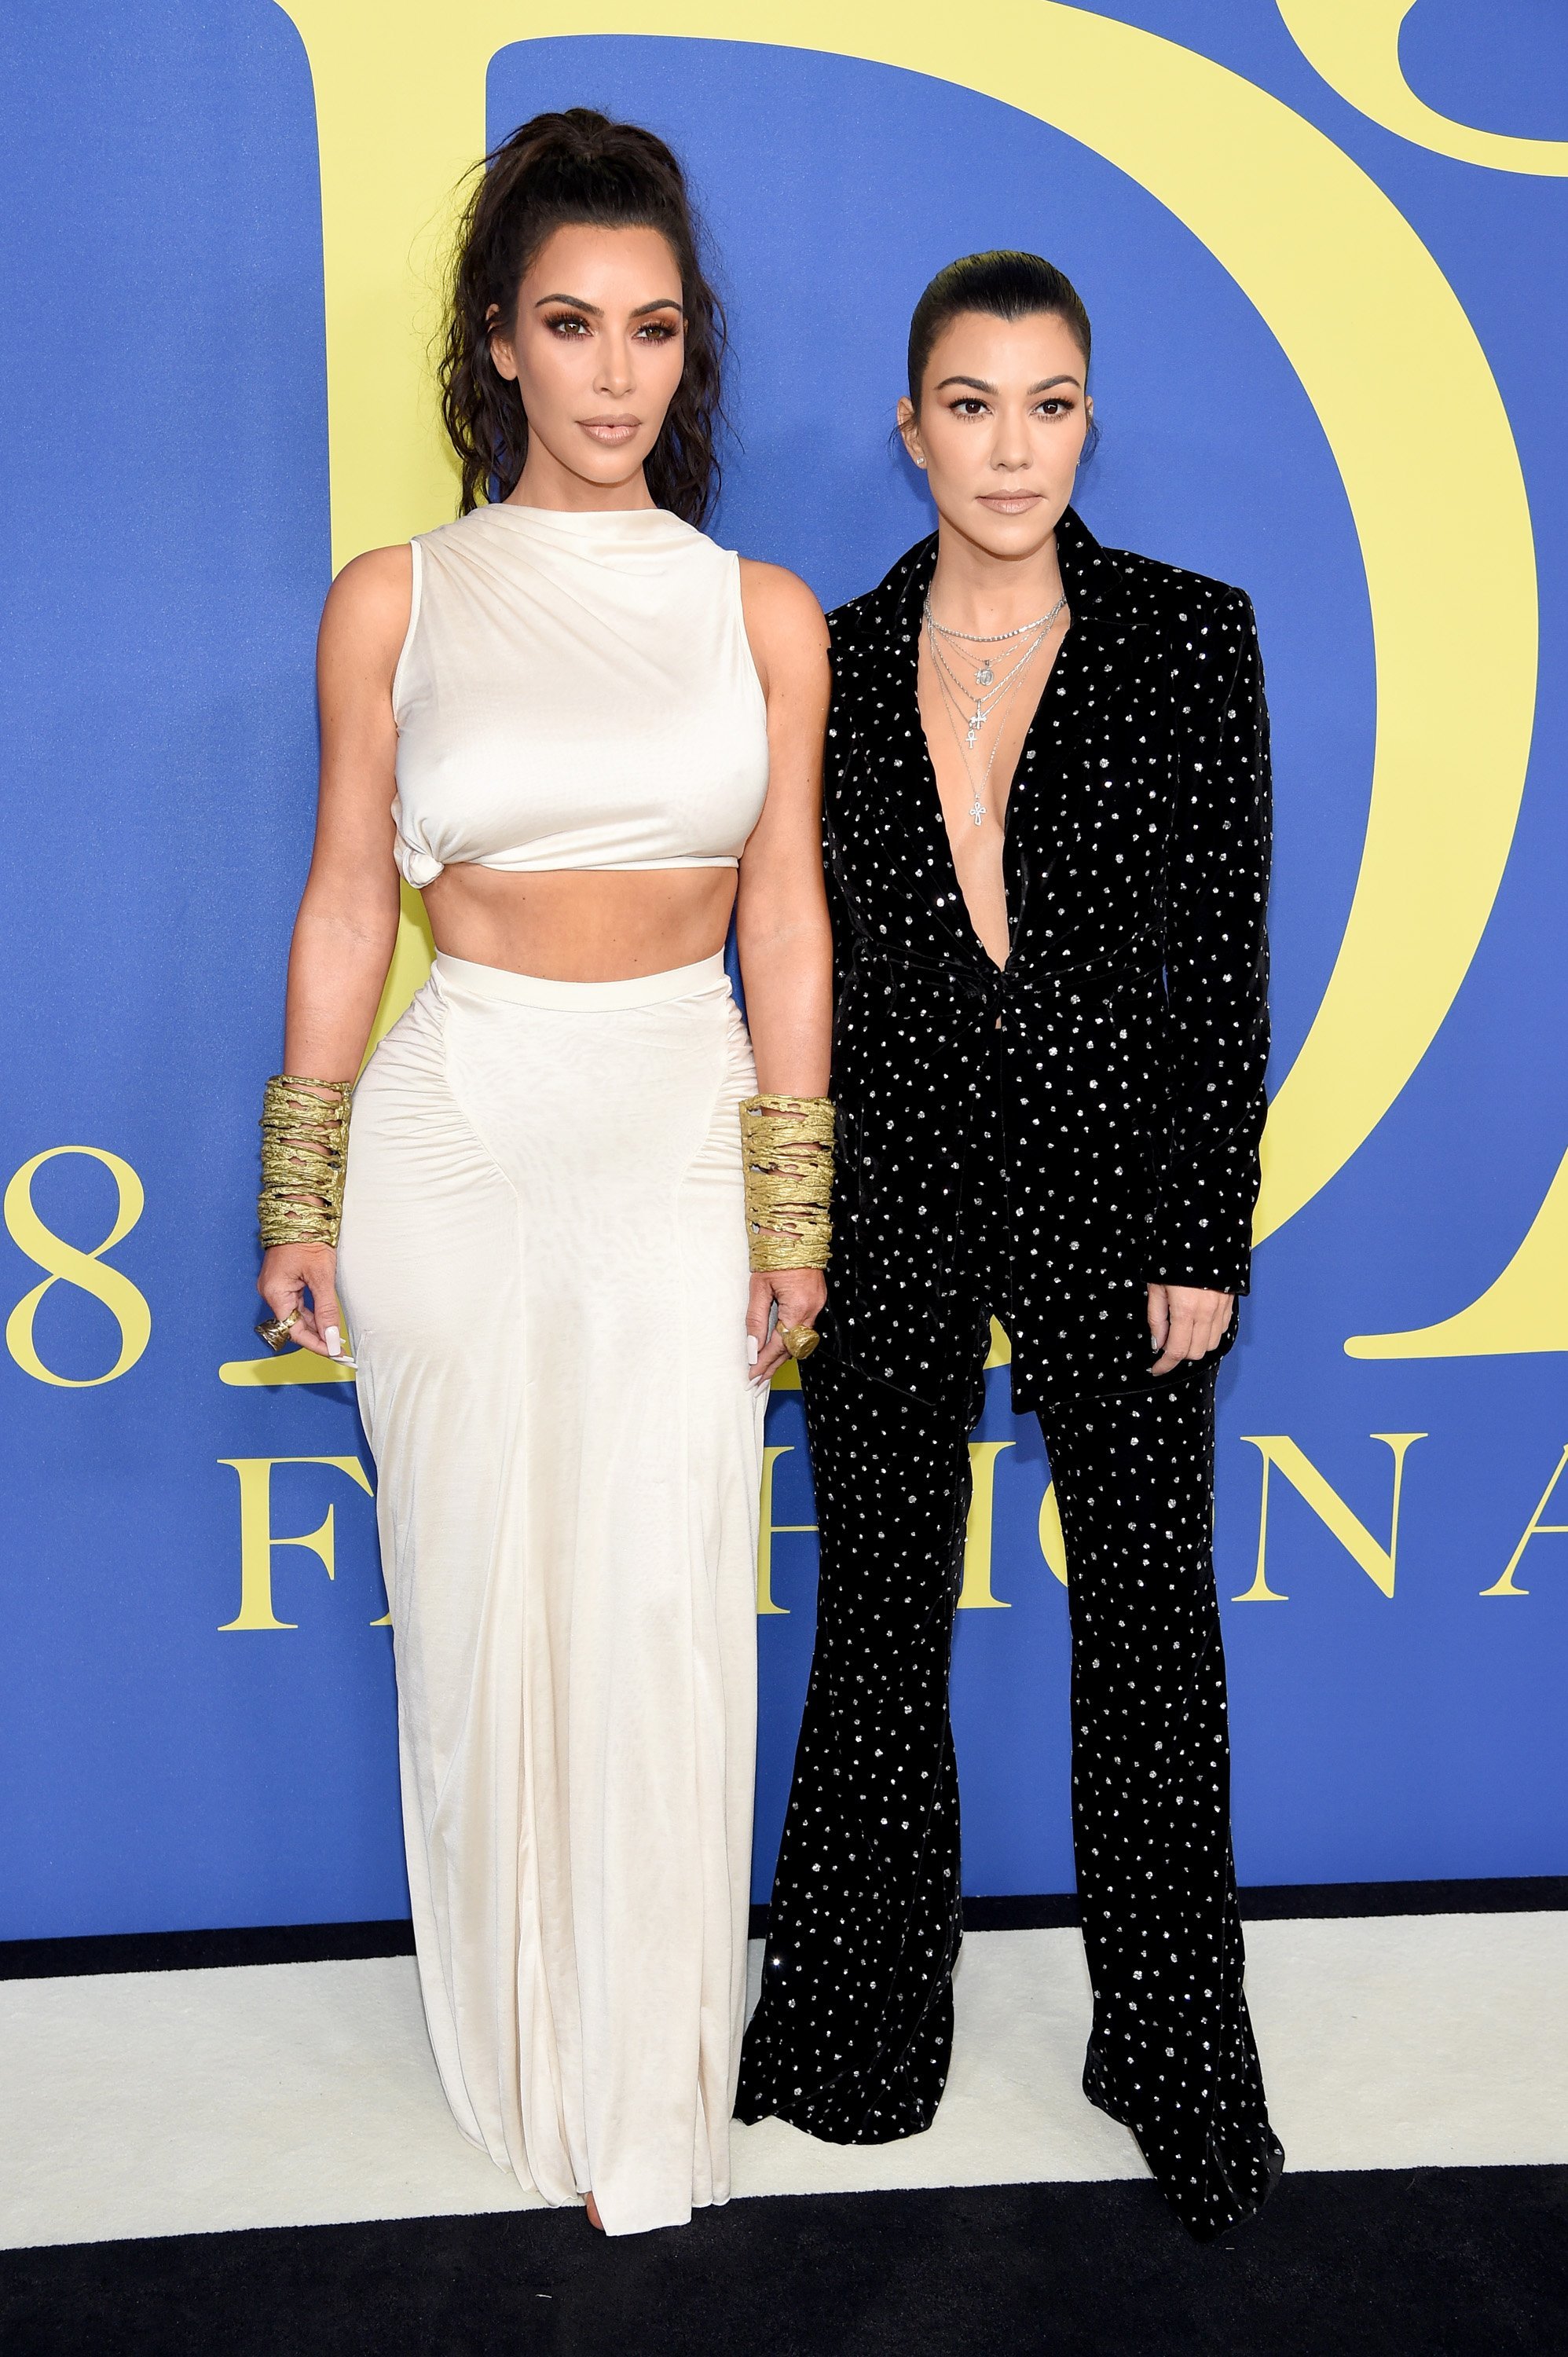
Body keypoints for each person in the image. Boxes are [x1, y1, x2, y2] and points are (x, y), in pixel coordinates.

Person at [252, 108, 833, 2237]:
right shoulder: (393, 599)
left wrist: (793, 1203)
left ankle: (646, 2090)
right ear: (497, 345)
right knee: (486, 1614)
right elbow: (343, 902)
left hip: (681, 1112)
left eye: (654, 333)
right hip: (461, 1123)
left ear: (692, 359)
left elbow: (786, 919)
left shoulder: (760, 614)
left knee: (667, 1602)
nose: (613, 375)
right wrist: (298, 1188)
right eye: (570, 327)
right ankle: (514, 2050)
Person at [737, 251, 1282, 2238]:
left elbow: (1213, 965)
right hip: (884, 1203)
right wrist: (789, 1218)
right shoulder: (827, 652)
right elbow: (786, 961)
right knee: (878, 1624)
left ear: (1085, 421)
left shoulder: (1185, 637)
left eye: (1048, 403)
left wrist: (1197, 1225)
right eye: (969, 404)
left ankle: (1169, 2052)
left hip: (1117, 1204)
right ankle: (856, 2034)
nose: (1010, 445)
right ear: (910, 427)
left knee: (1148, 1644)